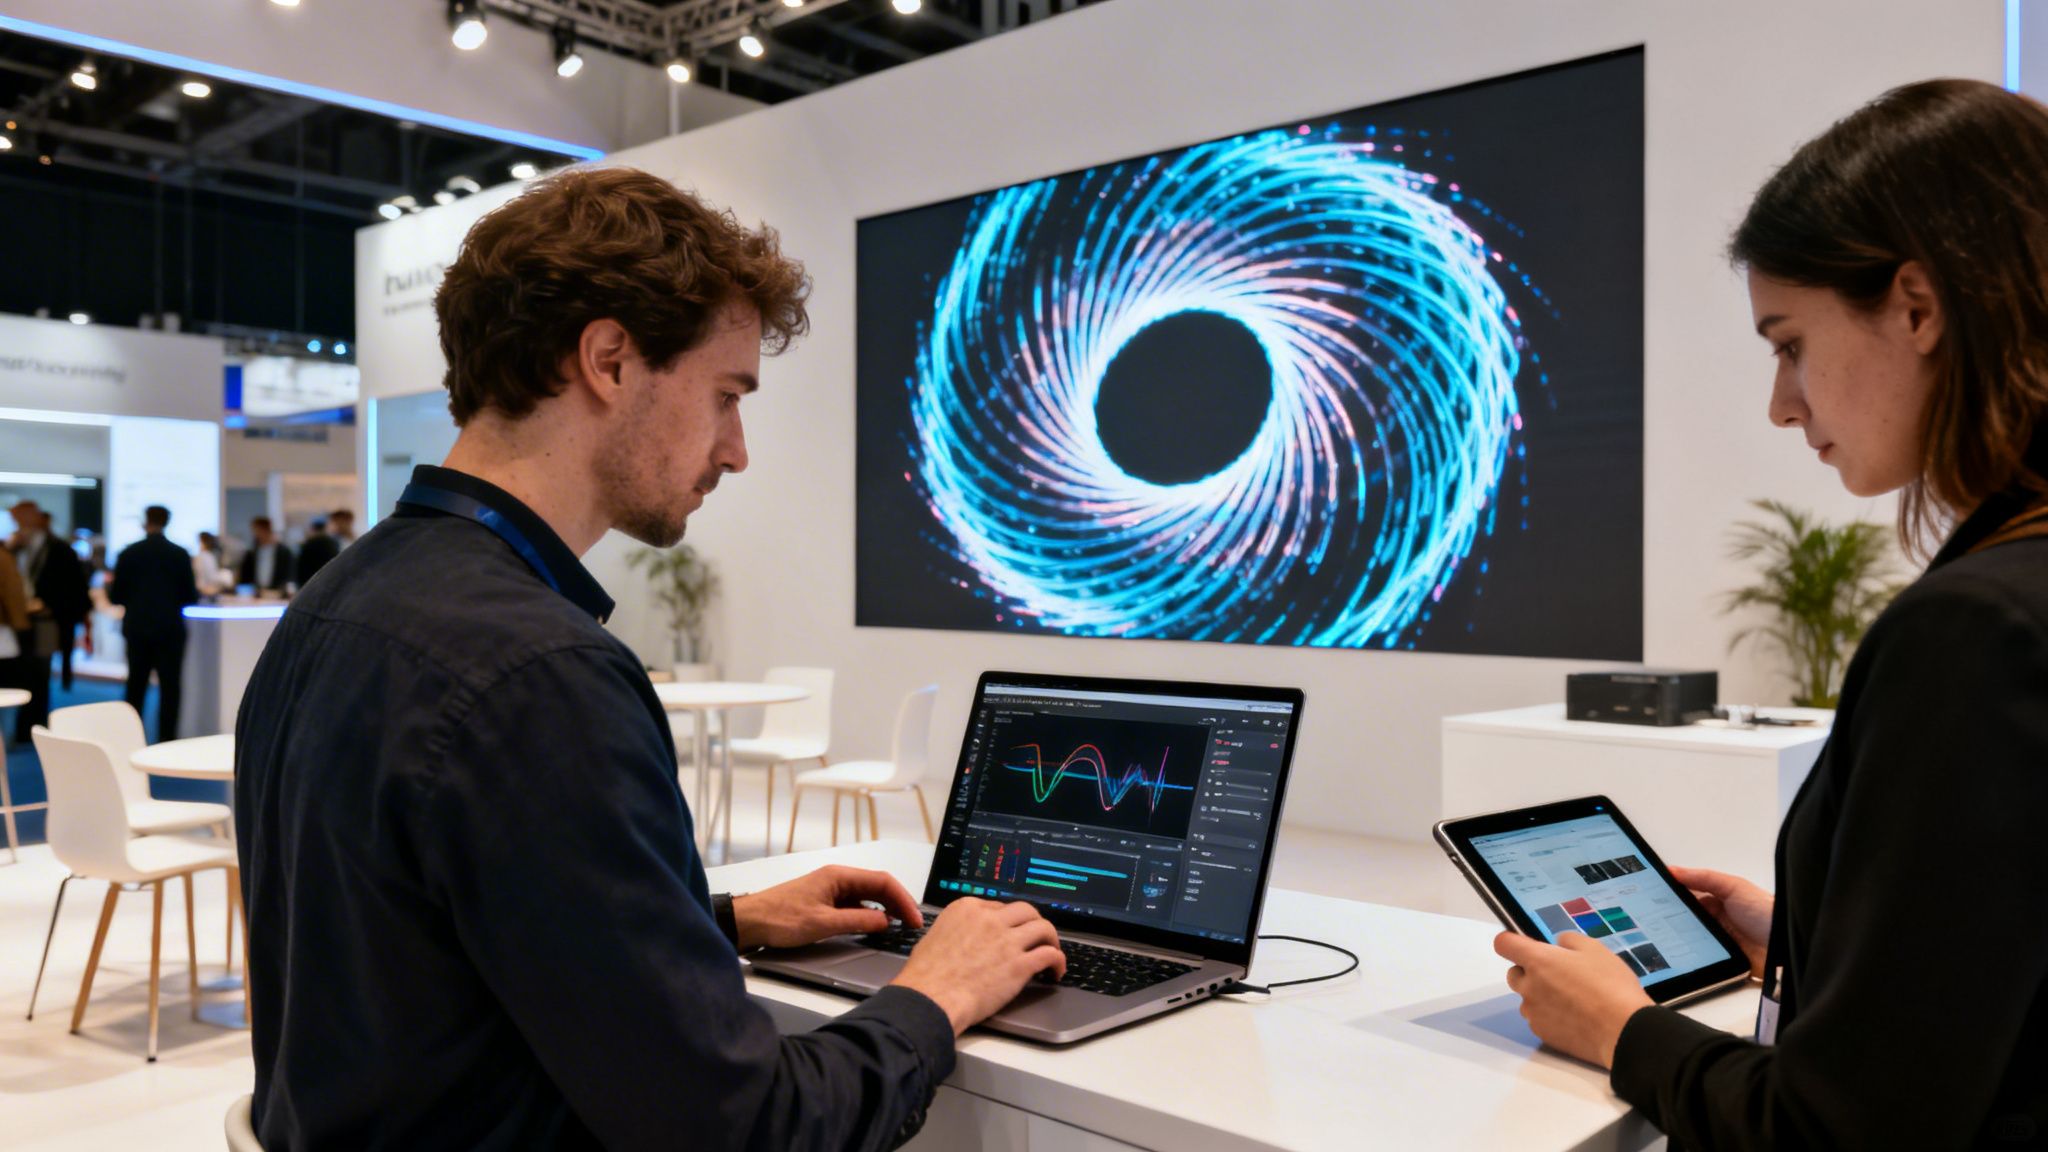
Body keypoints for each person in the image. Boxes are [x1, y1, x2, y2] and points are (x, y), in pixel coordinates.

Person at [234, 166, 1066, 1151]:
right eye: (724, 395)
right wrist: (936, 992)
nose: (737, 449)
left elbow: (431, 952)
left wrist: (716, 919)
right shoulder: (540, 677)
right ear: (610, 360)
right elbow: (746, 1131)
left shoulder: (336, 603)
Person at [1496, 79, 2048, 1148]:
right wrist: (1817, 941)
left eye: (1787, 342)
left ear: (1918, 308)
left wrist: (1621, 1032)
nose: (1780, 403)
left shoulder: (1976, 631)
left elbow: (1835, 1131)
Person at [108, 505, 200, 743]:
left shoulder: (129, 553)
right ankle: (167, 740)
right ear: (167, 521)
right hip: (170, 628)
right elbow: (190, 596)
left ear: (144, 521)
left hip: (137, 627)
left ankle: (131, 738)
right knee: (170, 687)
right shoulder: (179, 554)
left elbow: (116, 596)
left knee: (135, 684)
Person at [8, 501, 89, 733]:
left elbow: (73, 587)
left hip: (46, 620)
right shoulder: (15, 547)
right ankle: (22, 724)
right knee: (18, 671)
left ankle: (34, 724)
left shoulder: (60, 549)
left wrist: (49, 605)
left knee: (39, 671)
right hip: (17, 619)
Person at [236, 516, 292, 595]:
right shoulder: (252, 552)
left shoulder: (283, 552)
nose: (256, 534)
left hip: (277, 593)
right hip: (256, 593)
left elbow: (289, 574)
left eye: (258, 530)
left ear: (267, 529)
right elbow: (245, 576)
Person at [294, 518, 339, 585]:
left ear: (313, 529)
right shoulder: (333, 543)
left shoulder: (309, 543)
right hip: (329, 579)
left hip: (310, 582)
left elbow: (301, 567)